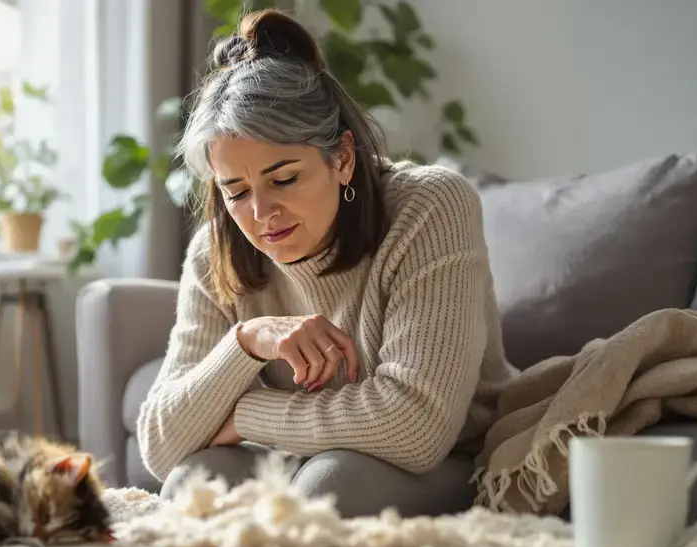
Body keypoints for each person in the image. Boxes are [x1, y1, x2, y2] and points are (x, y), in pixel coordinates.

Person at [135, 9, 518, 518]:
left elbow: (417, 427)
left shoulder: (430, 207)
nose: (261, 213)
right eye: (236, 190)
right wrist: (247, 342)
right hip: (297, 457)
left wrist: (246, 415)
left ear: (341, 158)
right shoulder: (215, 251)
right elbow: (162, 445)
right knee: (190, 486)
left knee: (328, 489)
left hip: (447, 459)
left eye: (284, 178)